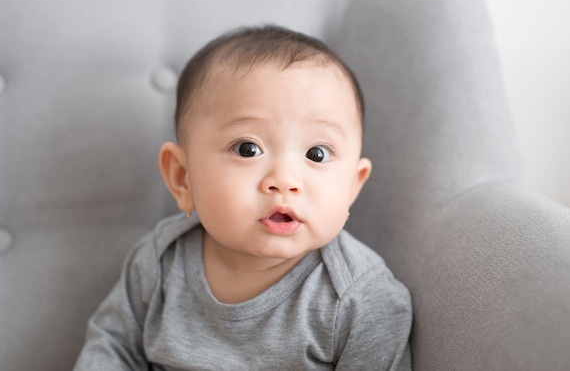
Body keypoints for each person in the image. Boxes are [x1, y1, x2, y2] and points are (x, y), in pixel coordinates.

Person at [74, 25, 412, 370]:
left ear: (352, 187)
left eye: (317, 154)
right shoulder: (160, 262)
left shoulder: (362, 300)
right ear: (182, 178)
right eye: (248, 149)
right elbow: (112, 348)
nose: (284, 180)